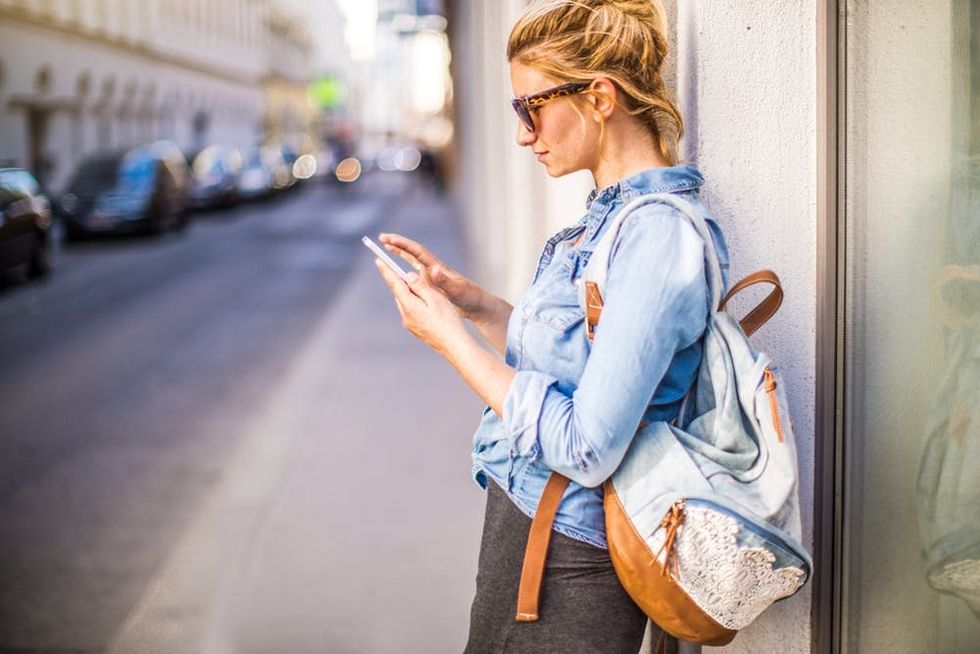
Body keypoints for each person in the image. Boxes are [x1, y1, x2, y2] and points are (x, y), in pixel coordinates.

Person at [371, 1, 728, 651]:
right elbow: (591, 356)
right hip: (532, 522)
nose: (522, 134)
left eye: (530, 107)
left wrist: (449, 340)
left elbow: (587, 444)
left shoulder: (657, 237)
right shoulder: (612, 219)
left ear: (599, 97)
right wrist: (474, 305)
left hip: (568, 555)